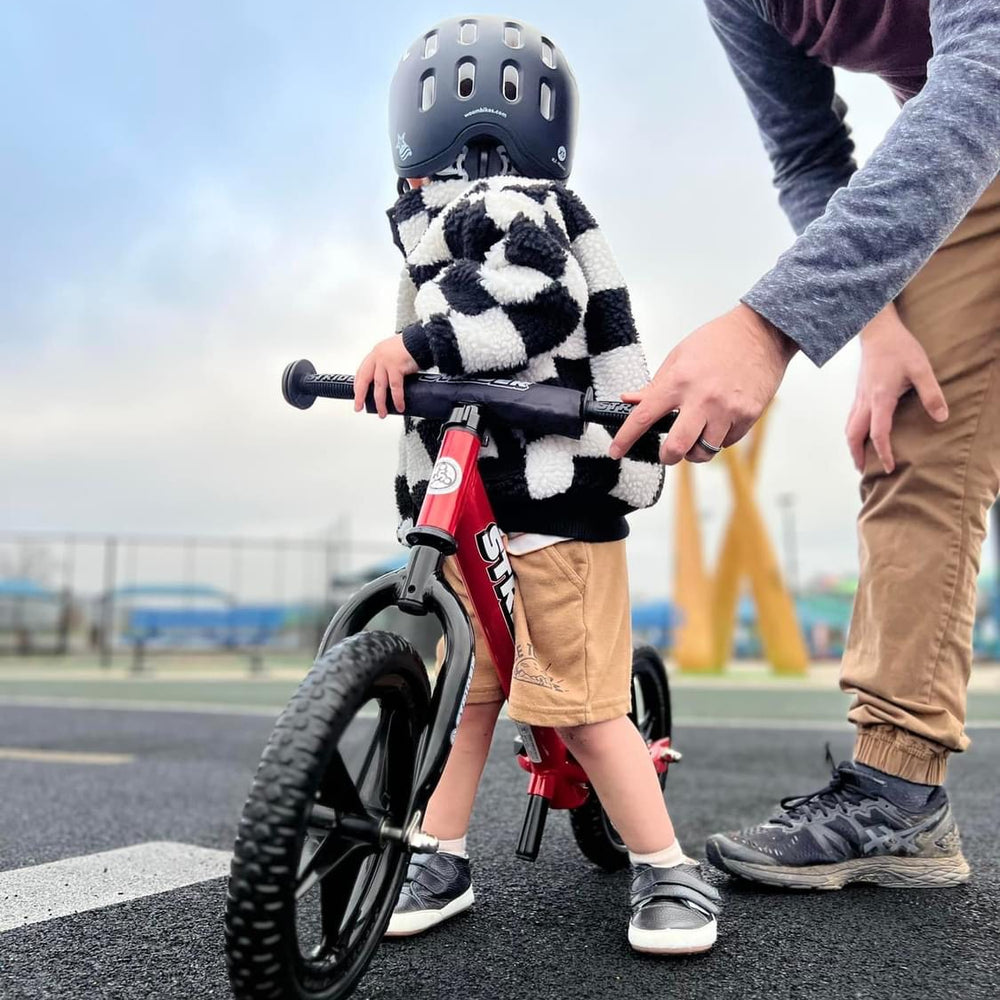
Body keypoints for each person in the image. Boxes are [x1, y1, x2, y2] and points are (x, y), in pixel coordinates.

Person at [352, 15, 721, 953]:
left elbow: (532, 303)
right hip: (485, 510)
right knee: (468, 698)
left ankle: (667, 867)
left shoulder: (510, 205)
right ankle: (440, 851)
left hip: (557, 505)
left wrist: (415, 347)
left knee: (590, 712)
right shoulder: (434, 230)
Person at [611, 0, 1000, 889]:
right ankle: (897, 799)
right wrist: (877, 318)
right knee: (912, 437)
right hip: (970, 160)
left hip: (982, 101)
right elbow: (808, 155)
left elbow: (988, 70)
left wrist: (767, 327)